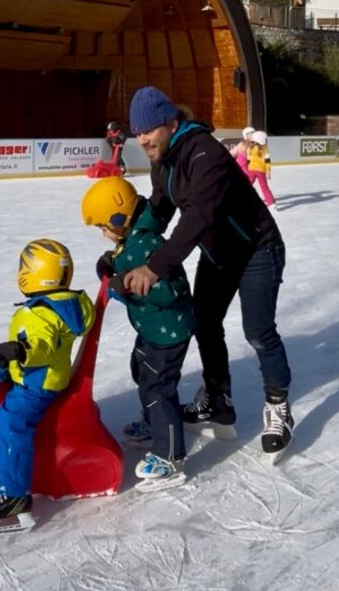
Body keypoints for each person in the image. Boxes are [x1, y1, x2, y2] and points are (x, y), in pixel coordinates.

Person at [122, 86, 294, 459]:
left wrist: (155, 266)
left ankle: (278, 406)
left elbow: (198, 216)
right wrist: (129, 241)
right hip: (219, 254)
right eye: (137, 132)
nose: (142, 139)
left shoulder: (205, 153)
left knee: (259, 332)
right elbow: (160, 207)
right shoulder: (163, 159)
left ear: (170, 123)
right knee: (205, 323)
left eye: (148, 130)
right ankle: (218, 401)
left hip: (257, 250)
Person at [0, 238, 94, 534]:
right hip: (42, 377)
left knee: (10, 422)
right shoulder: (69, 305)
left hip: (35, 385)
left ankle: (12, 496)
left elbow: (42, 346)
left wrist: (17, 351)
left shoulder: (40, 314)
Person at [81, 175, 194, 489]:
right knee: (139, 369)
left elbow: (171, 290)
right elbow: (125, 261)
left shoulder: (150, 244)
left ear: (120, 219)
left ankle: (170, 457)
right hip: (151, 328)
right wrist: (111, 266)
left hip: (169, 331)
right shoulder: (132, 239)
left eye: (103, 226)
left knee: (157, 388)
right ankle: (153, 423)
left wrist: (127, 285)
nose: (102, 233)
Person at [248, 130, 277, 210]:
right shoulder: (265, 149)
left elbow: (249, 158)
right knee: (264, 187)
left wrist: (248, 165)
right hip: (261, 171)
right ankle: (271, 203)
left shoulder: (252, 147)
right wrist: (268, 171)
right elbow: (267, 161)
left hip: (252, 170)